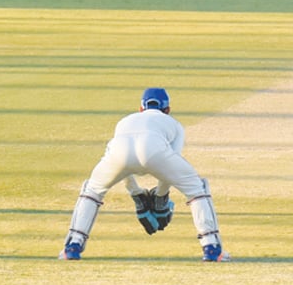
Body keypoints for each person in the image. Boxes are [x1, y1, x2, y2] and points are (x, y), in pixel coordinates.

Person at [58, 88, 229, 262]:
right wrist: (160, 199)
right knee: (197, 189)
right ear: (167, 110)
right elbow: (170, 165)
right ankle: (211, 248)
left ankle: (72, 246)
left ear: (140, 109)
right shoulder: (173, 124)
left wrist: (136, 193)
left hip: (119, 153)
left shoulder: (125, 121)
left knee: (92, 191)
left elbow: (123, 163)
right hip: (153, 149)